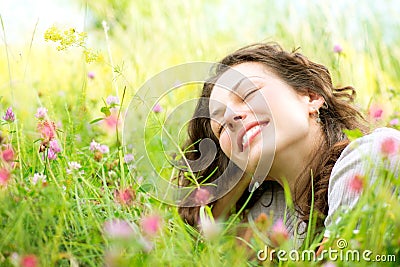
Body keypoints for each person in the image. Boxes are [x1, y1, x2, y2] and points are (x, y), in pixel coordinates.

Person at [177, 42, 400, 248]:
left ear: (311, 96)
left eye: (249, 93)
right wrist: (243, 166)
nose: (232, 117)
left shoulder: (373, 154)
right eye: (221, 126)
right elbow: (208, 237)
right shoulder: (270, 212)